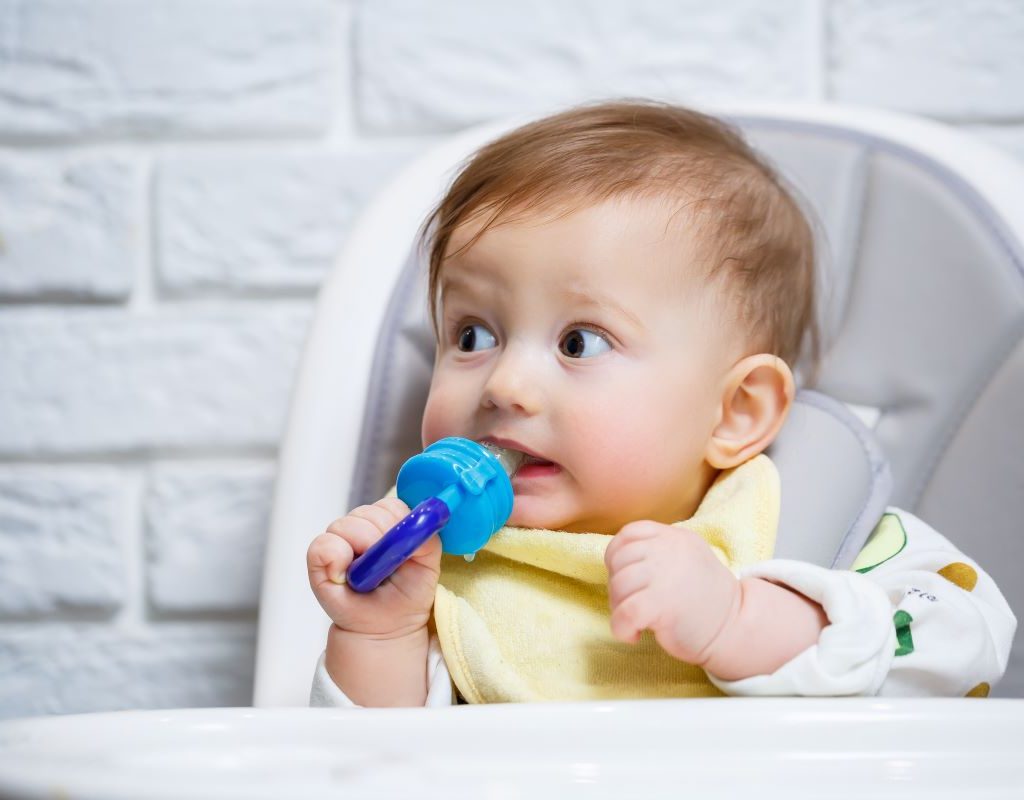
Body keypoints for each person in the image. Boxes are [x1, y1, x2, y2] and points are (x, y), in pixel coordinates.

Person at [306, 100, 1015, 707]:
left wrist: (746, 621)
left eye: (580, 342)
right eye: (472, 334)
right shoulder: (440, 580)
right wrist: (381, 634)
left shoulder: (816, 522)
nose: (501, 386)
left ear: (736, 412)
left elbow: (969, 647)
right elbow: (371, 766)